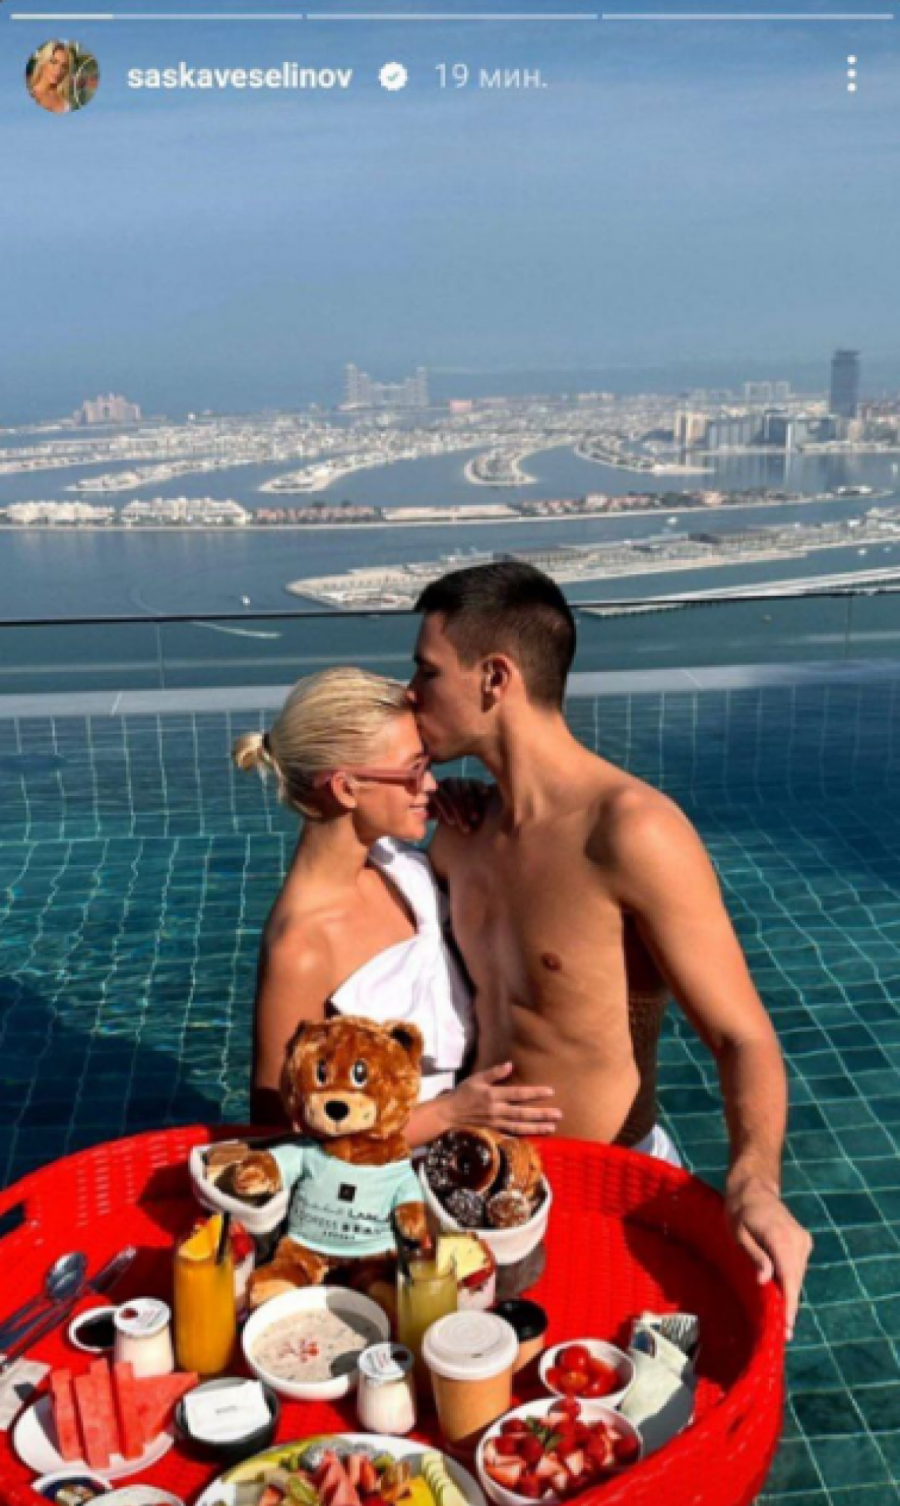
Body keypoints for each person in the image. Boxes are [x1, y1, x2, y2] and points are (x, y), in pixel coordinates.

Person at [408, 560, 812, 1342]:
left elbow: (742, 1035)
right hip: (473, 1185)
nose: (409, 693)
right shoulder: (461, 836)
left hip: (609, 1187)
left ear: (495, 678)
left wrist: (754, 1180)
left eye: (426, 671)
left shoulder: (630, 832)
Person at [234, 666, 561, 1145]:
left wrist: (464, 808)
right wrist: (446, 1114)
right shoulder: (301, 946)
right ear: (346, 788)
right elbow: (282, 1133)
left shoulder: (401, 866)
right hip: (381, 1179)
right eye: (413, 770)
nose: (430, 785)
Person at [27, 41, 72, 114]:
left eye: (64, 66)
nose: (58, 70)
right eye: (53, 62)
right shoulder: (31, 96)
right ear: (43, 62)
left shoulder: (65, 99)